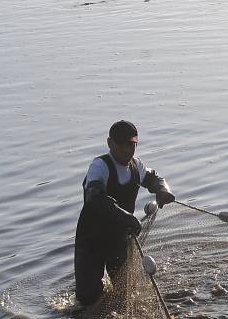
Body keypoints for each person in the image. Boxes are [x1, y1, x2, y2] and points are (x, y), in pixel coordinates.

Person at [74, 120, 176, 306]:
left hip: (119, 240)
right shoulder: (100, 166)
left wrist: (162, 190)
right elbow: (94, 197)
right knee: (88, 298)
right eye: (121, 144)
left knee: (125, 295)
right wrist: (127, 217)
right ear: (110, 143)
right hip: (91, 241)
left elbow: (155, 179)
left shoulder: (136, 166)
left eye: (131, 144)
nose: (127, 149)